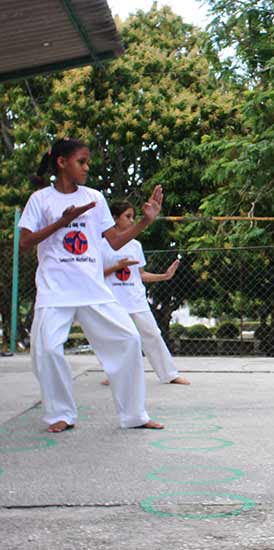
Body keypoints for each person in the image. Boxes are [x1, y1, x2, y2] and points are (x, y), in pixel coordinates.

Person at [18, 137, 163, 432]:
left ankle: (134, 415)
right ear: (62, 162)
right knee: (47, 351)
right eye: (81, 162)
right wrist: (62, 222)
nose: (86, 168)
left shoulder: (95, 198)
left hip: (92, 288)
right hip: (55, 289)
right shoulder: (41, 199)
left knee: (129, 340)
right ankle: (61, 414)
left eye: (87, 162)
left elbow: (115, 241)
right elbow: (25, 242)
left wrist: (145, 222)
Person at [98, 200, 189, 386]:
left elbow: (140, 275)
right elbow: (95, 275)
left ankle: (169, 374)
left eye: (133, 217)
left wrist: (164, 276)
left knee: (152, 335)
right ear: (114, 218)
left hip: (136, 299)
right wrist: (117, 267)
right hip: (112, 300)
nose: (132, 220)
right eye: (128, 216)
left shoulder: (135, 246)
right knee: (117, 339)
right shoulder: (101, 245)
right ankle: (115, 374)